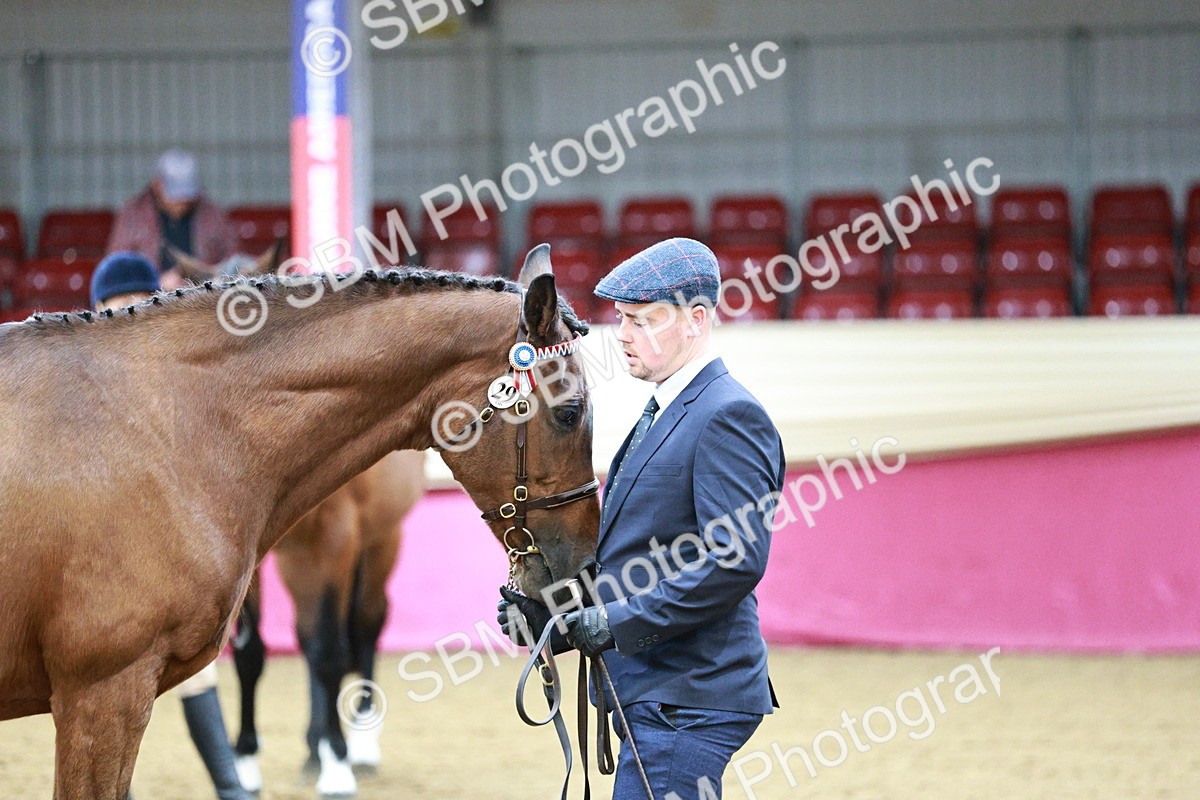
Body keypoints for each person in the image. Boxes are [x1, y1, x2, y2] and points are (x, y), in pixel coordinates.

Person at [500, 238, 785, 799]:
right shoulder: (666, 410)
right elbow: (639, 557)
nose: (622, 334)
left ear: (695, 320)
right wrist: (552, 621)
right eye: (621, 319)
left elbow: (733, 562)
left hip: (689, 697)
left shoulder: (728, 415)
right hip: (665, 691)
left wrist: (617, 624)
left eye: (640, 319)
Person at [90, 252, 252, 800]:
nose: (132, 311)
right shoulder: (85, 378)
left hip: (162, 553)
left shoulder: (176, 374)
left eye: (140, 301)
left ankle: (231, 787)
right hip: (100, 558)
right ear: (100, 307)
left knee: (197, 672)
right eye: (120, 303)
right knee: (102, 691)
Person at [107, 150, 235, 289]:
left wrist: (210, 278)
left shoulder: (213, 214)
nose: (182, 201)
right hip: (150, 301)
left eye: (187, 196)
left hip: (203, 297)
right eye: (175, 195)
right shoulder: (133, 216)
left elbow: (233, 261)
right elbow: (116, 270)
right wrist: (156, 283)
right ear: (157, 185)